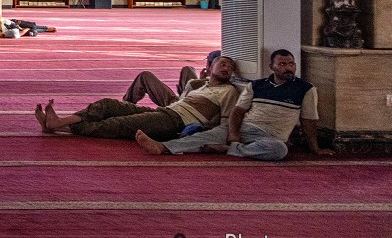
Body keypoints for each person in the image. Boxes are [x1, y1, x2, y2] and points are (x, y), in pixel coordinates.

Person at [136, 49, 335, 160]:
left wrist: (315, 148)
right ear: (272, 67)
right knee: (205, 136)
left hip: (271, 136)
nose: (288, 68)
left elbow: (309, 121)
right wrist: (233, 133)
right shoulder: (257, 86)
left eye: (291, 64)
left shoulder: (305, 89)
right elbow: (238, 112)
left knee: (279, 150)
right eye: (282, 64)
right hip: (244, 127)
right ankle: (163, 147)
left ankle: (230, 150)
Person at [34, 56, 241, 141]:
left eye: (230, 68)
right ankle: (59, 122)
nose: (227, 69)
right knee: (108, 105)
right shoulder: (198, 85)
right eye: (222, 64)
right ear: (210, 67)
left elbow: (223, 121)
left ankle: (59, 127)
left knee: (116, 124)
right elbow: (180, 99)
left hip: (174, 122)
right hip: (165, 112)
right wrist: (198, 82)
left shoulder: (229, 91)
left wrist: (194, 135)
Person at [122, 49, 221, 107]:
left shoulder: (207, 82)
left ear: (210, 66)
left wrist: (200, 81)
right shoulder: (224, 81)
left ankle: (125, 105)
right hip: (188, 100)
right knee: (188, 69)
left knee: (145, 76)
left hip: (181, 106)